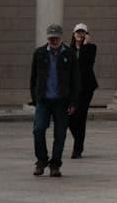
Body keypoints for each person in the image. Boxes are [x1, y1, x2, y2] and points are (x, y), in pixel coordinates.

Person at [29, 23, 79, 177]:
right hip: (43, 100)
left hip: (61, 101)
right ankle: (41, 160)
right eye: (51, 38)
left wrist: (73, 102)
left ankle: (55, 164)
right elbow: (33, 78)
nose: (53, 41)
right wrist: (35, 98)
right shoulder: (39, 53)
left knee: (60, 134)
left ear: (61, 38)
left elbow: (76, 80)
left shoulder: (69, 54)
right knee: (38, 130)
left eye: (56, 38)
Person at [67, 22, 98, 159]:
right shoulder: (69, 50)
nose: (80, 34)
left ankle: (77, 148)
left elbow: (87, 64)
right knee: (70, 117)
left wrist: (85, 45)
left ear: (86, 35)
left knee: (81, 116)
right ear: (73, 34)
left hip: (86, 88)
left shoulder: (91, 48)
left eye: (83, 32)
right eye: (78, 32)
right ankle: (78, 139)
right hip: (72, 89)